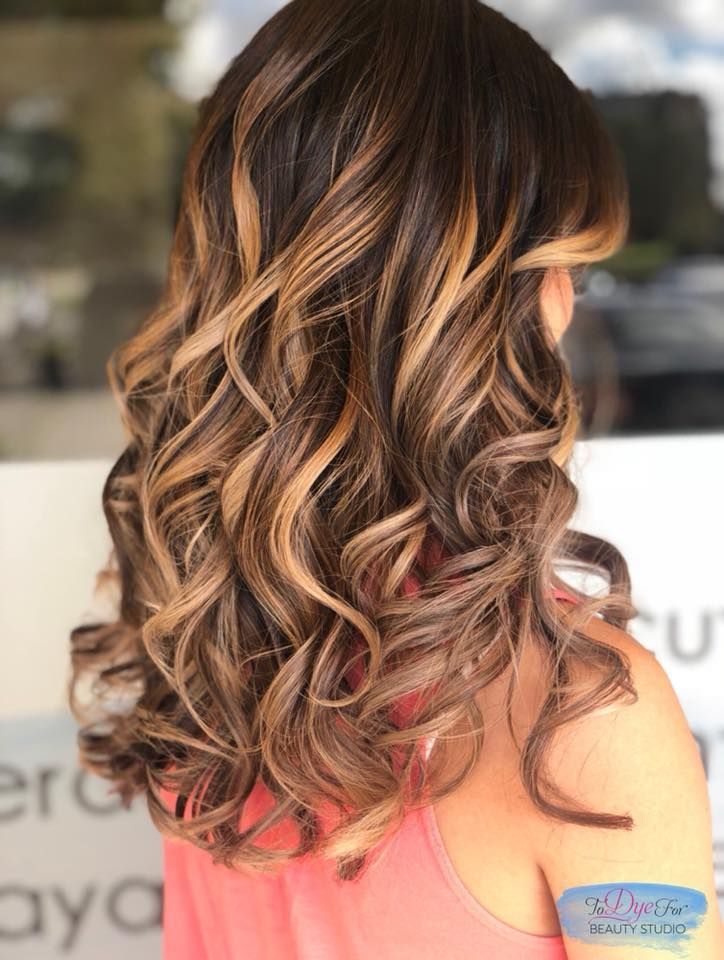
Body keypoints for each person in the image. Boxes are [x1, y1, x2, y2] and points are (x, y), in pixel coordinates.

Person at [69, 1, 724, 957]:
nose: (571, 305)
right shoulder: (583, 726)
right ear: (500, 308)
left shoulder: (200, 623)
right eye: (566, 266)